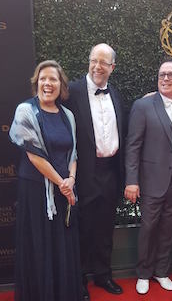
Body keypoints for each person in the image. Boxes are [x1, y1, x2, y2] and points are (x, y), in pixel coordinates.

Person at [9, 60, 81, 301]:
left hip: (63, 194)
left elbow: (73, 153)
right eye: (43, 79)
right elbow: (35, 156)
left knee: (62, 247)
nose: (48, 84)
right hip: (37, 195)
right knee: (40, 248)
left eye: (53, 79)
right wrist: (63, 184)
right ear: (36, 83)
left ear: (61, 85)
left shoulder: (68, 115)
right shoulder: (26, 111)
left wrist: (71, 179)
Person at [124, 58, 172, 294]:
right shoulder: (143, 106)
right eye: (162, 74)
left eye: (171, 75)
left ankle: (161, 272)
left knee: (168, 229)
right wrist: (131, 180)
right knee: (149, 228)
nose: (165, 78)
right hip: (151, 181)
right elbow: (133, 145)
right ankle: (143, 273)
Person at [65, 43, 124, 300]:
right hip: (84, 172)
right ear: (89, 62)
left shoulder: (116, 95)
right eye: (94, 61)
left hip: (110, 172)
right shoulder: (72, 92)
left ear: (112, 67)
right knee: (83, 230)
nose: (98, 66)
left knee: (104, 229)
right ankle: (79, 280)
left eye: (104, 62)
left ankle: (103, 275)